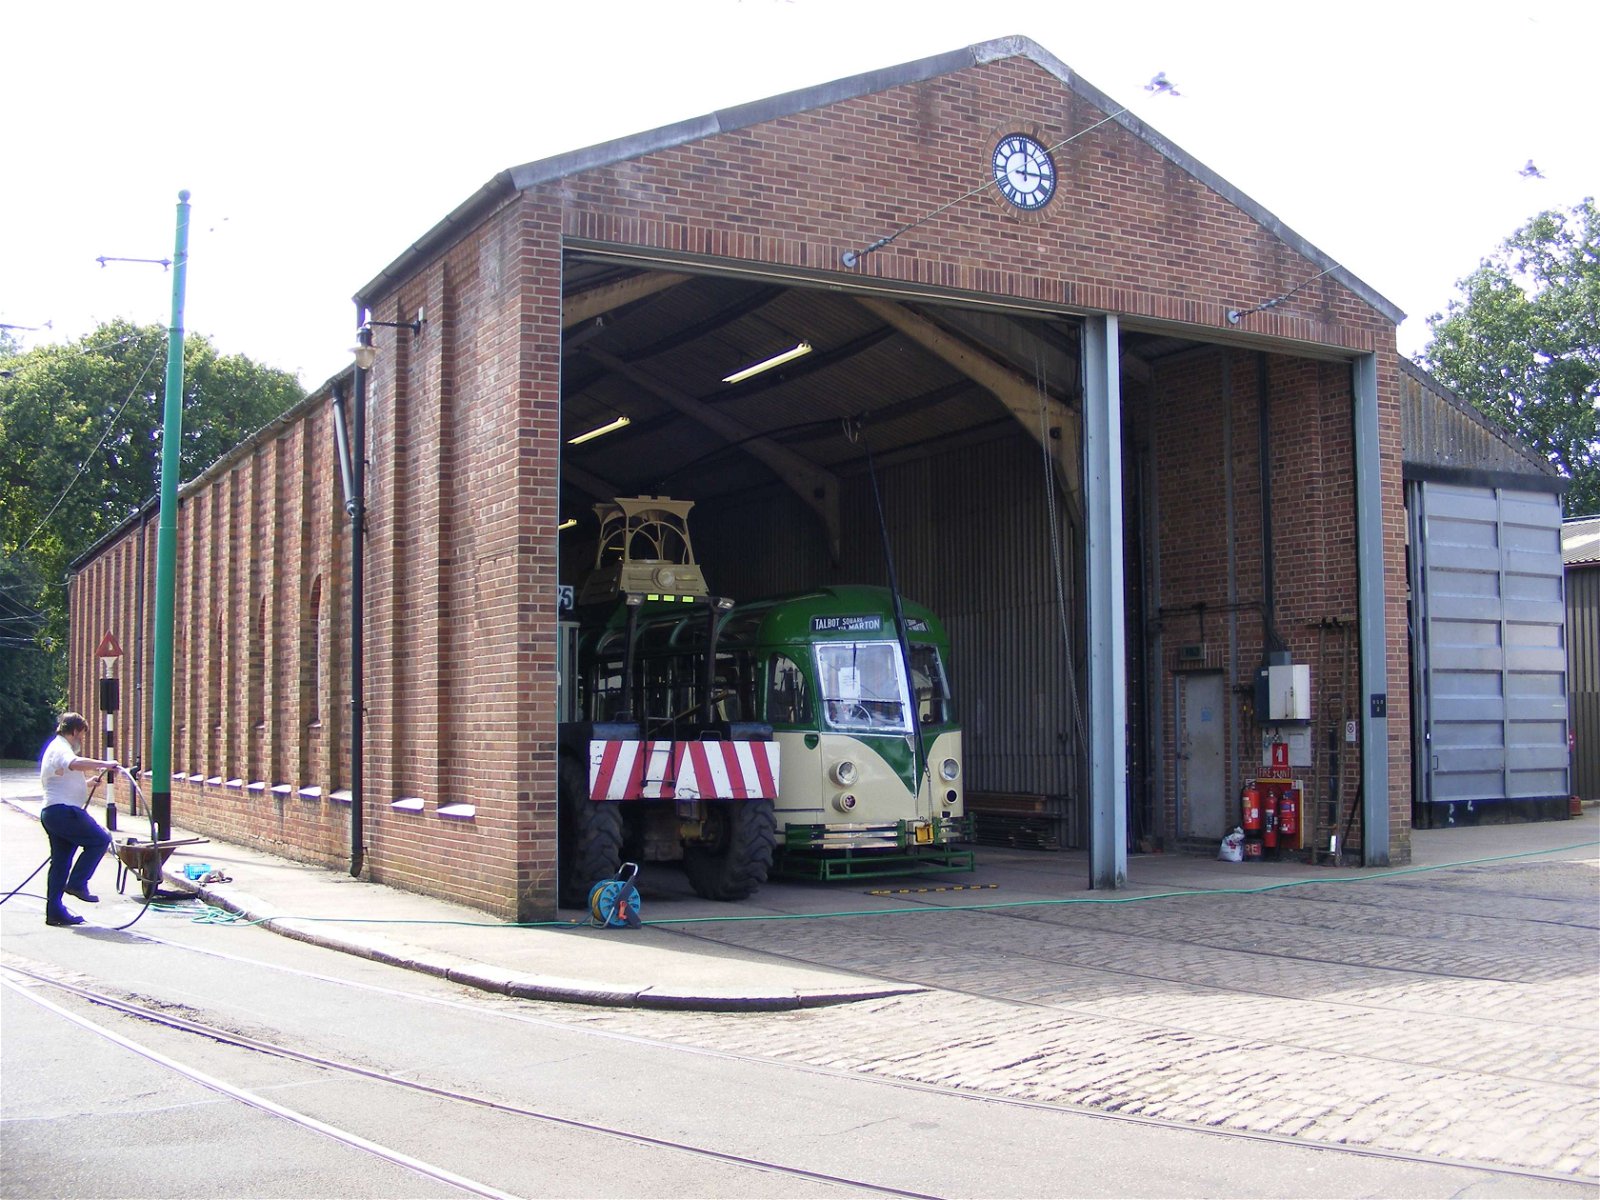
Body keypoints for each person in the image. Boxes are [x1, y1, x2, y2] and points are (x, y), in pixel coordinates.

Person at [38, 712, 123, 927]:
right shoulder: (61, 748)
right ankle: (77, 883)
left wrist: (86, 783)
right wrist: (105, 764)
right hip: (64, 812)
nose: (81, 741)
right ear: (75, 731)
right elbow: (74, 763)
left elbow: (59, 779)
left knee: (60, 862)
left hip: (53, 812)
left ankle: (54, 911)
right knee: (100, 839)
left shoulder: (55, 749)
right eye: (81, 735)